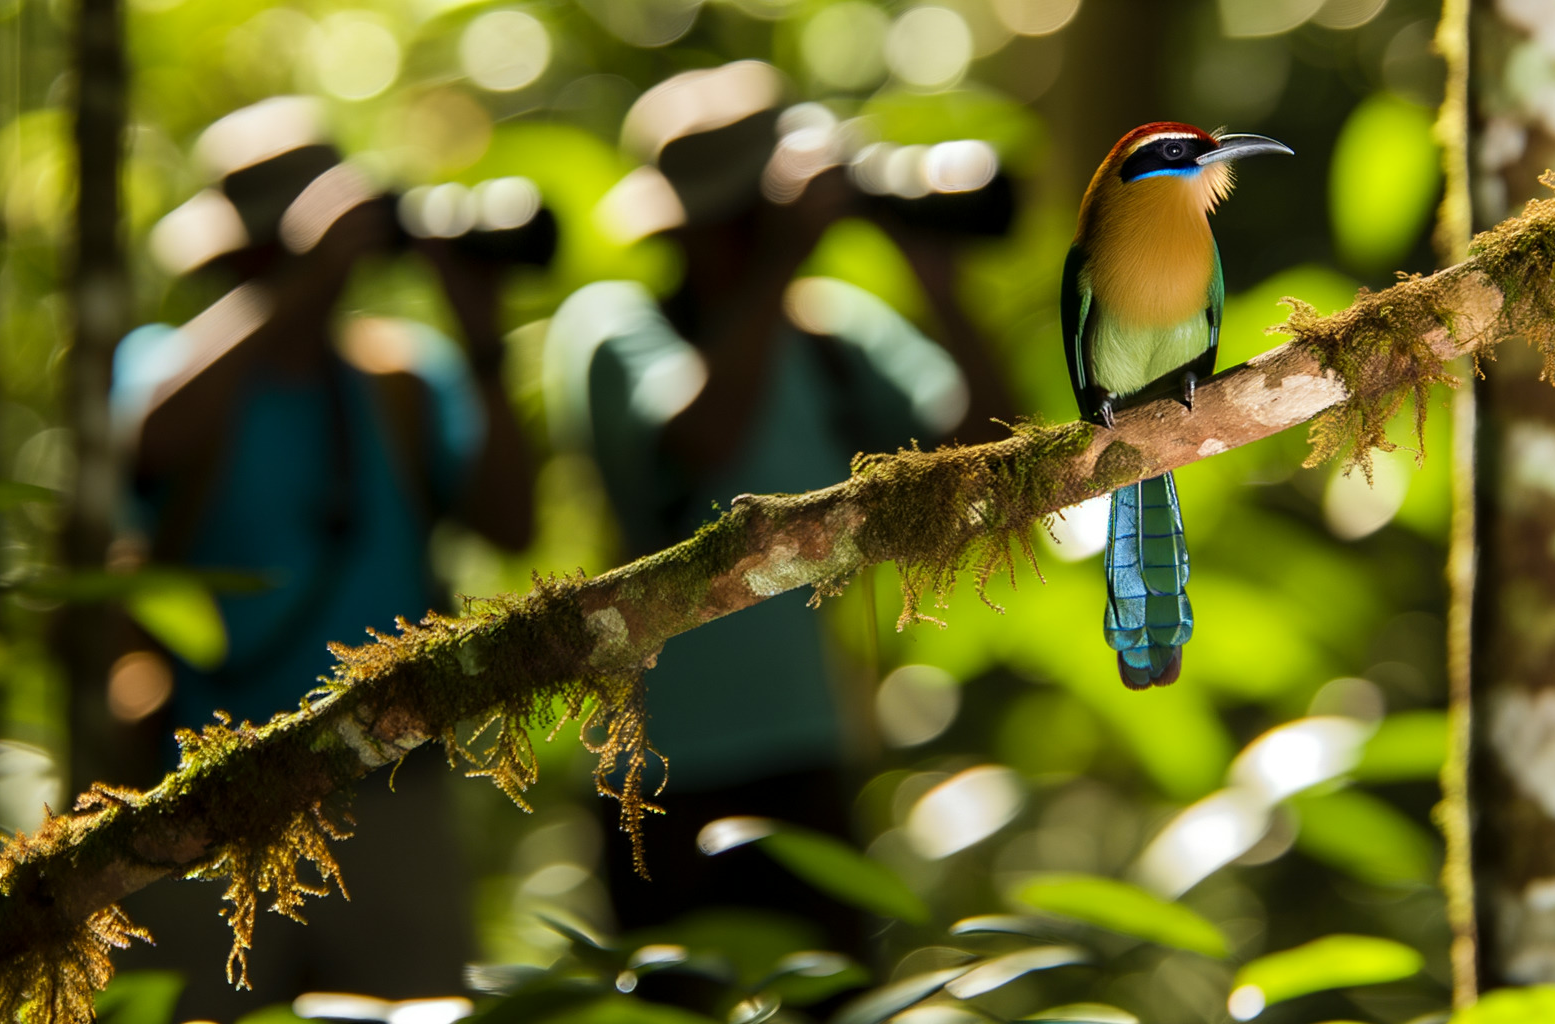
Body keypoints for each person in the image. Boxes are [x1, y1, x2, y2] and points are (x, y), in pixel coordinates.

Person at [544, 63, 1013, 958]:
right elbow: (696, 440)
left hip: (807, 746)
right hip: (657, 770)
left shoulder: (831, 330)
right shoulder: (612, 326)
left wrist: (941, 286)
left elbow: (989, 450)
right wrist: (778, 267)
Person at [110, 96, 534, 1020]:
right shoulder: (166, 366)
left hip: (389, 788)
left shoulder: (401, 379)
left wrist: (485, 343)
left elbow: (512, 523)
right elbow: (152, 437)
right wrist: (300, 284)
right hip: (209, 792)